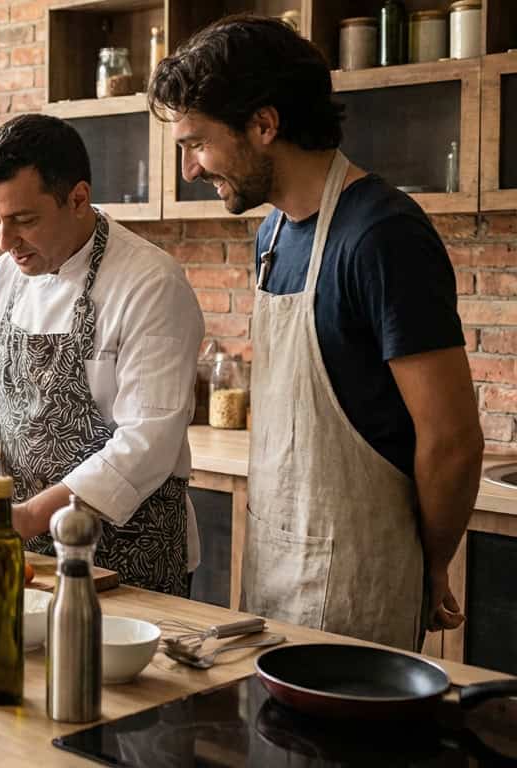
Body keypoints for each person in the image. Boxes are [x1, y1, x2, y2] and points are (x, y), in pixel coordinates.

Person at [148, 16, 483, 648]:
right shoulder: (272, 235)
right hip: (275, 573)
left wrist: (431, 564)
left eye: (197, 144)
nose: (190, 169)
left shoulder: (383, 235)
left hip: (363, 581)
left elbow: (452, 439)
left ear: (265, 125)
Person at [0, 114, 203, 596]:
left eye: (24, 220)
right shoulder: (6, 275)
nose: (4, 242)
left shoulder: (151, 284)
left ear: (78, 199)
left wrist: (32, 515)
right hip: (28, 548)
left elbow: (148, 441)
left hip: (130, 554)